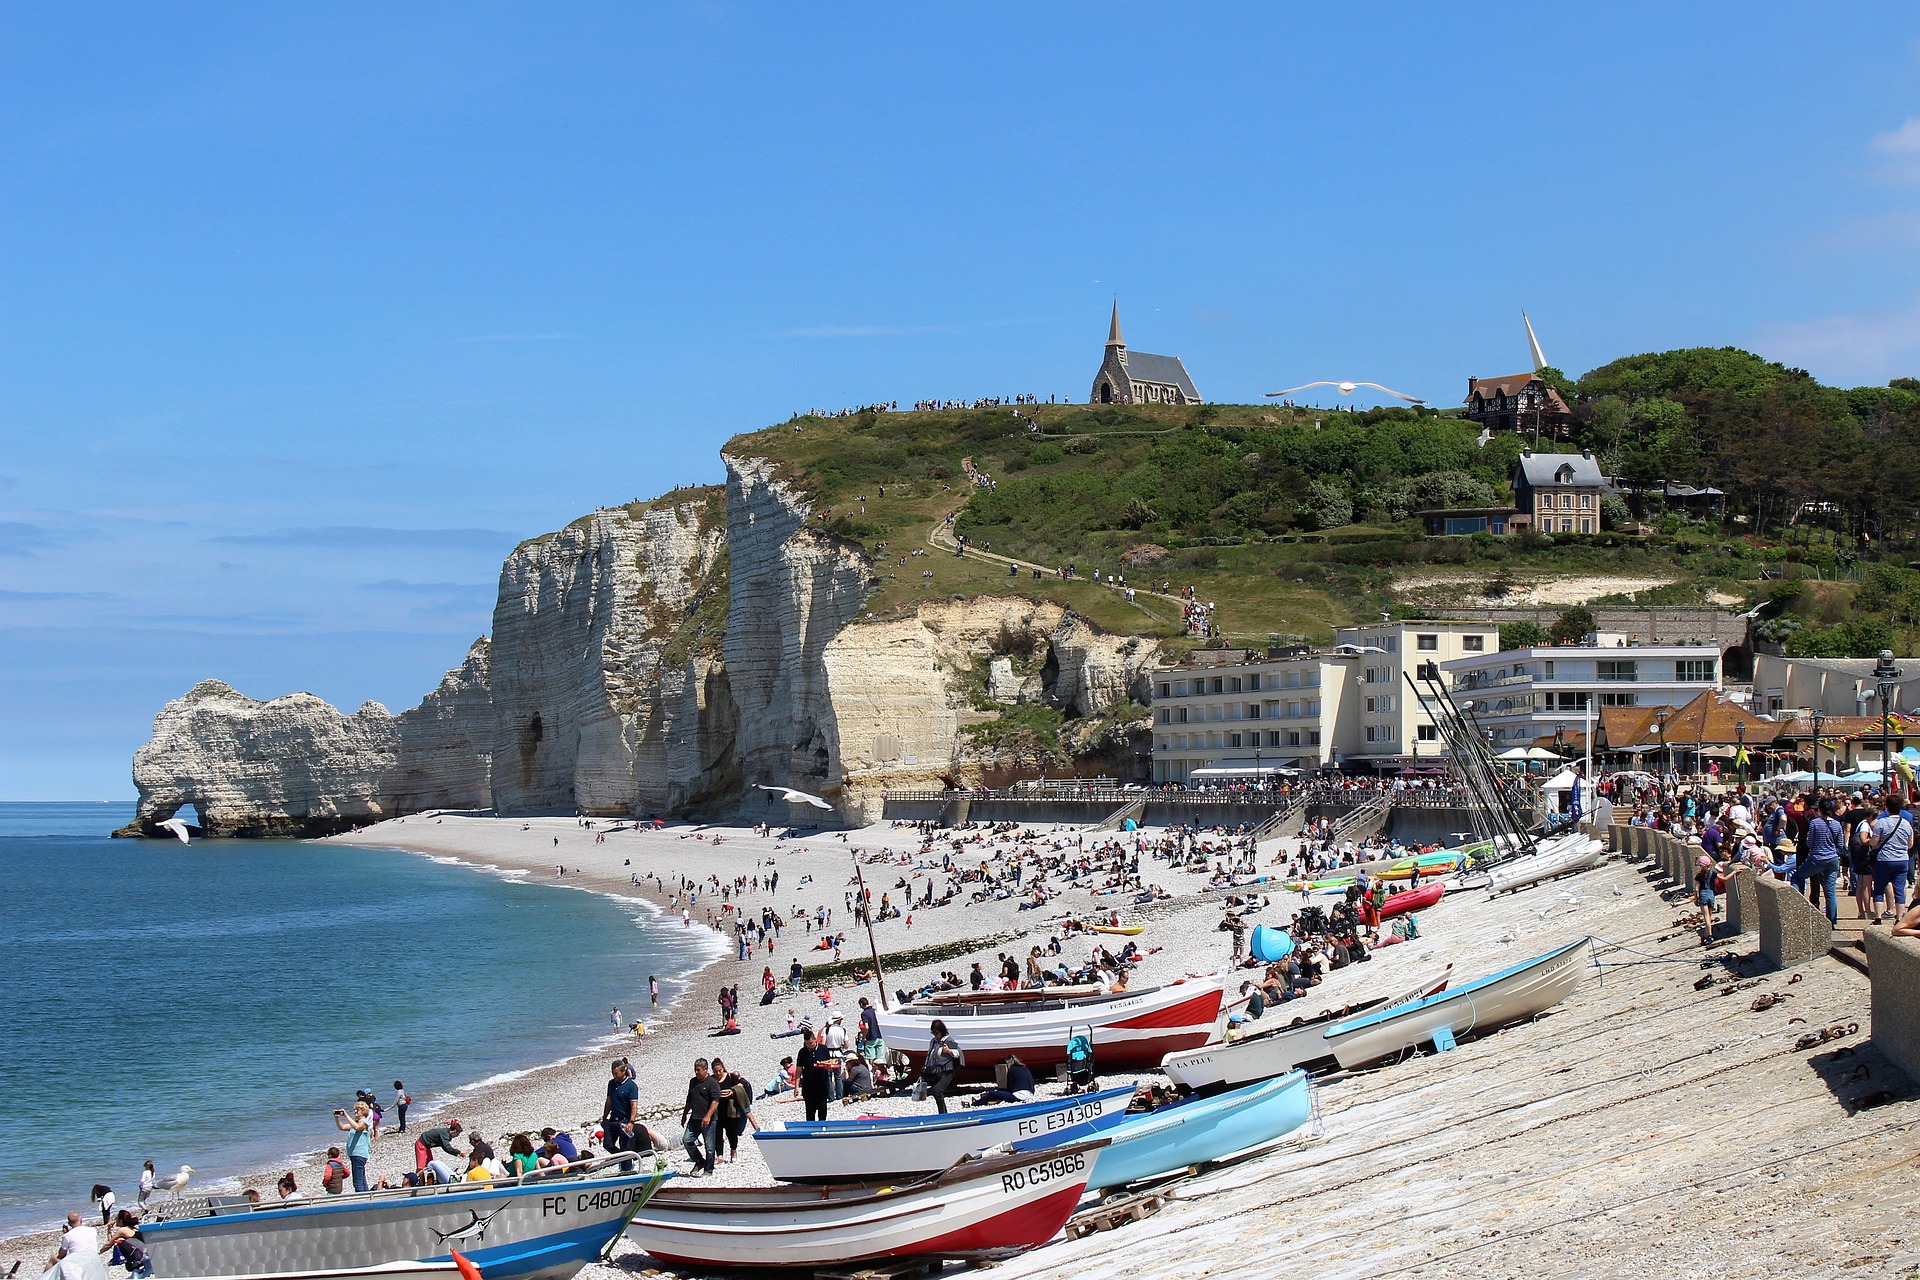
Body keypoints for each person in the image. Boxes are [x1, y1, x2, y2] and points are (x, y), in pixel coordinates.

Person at [1870, 792, 1914, 924]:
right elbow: (1910, 844)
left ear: (1887, 807)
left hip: (1884, 859)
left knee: (1879, 889)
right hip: (1902, 859)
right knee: (1899, 890)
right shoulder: (1906, 824)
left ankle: (1878, 917)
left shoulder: (1881, 823)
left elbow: (1874, 842)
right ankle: (1899, 918)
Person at [1801, 798, 1846, 929]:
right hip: (1832, 859)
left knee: (1797, 877)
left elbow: (1809, 842)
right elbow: (1840, 844)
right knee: (1830, 891)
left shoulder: (1815, 823)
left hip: (1817, 858)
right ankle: (1832, 921)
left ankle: (1798, 906)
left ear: (1819, 810)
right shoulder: (1837, 824)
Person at [680, 1058, 724, 1174]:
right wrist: (684, 1114)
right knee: (687, 1140)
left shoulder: (712, 1083)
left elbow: (715, 1101)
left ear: (705, 1070)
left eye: (698, 1070)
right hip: (694, 1118)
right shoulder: (693, 1082)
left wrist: (708, 1116)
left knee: (709, 1147)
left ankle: (708, 1169)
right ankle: (699, 1161)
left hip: (709, 1120)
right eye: (695, 1070)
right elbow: (689, 1099)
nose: (696, 1072)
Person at [713, 1059, 757, 1163]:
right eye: (716, 1071)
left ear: (723, 1068)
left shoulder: (730, 1077)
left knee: (731, 1133)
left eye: (720, 1070)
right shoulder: (711, 1080)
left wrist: (732, 1092)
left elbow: (741, 1086)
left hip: (730, 1110)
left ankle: (733, 1151)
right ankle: (719, 1156)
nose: (718, 1073)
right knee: (717, 1134)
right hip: (717, 1111)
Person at [602, 1060, 642, 1168]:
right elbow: (609, 1101)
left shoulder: (631, 1086)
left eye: (616, 1073)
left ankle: (627, 1168)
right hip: (612, 1120)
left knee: (625, 1147)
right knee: (607, 1144)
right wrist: (604, 1117)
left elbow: (634, 1105)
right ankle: (623, 1159)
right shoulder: (611, 1084)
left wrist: (631, 1122)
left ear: (623, 1071)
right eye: (613, 1073)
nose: (614, 1076)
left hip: (624, 1121)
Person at [920, 1019, 963, 1114]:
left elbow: (958, 1053)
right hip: (937, 1071)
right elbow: (929, 1055)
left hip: (948, 1071)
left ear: (941, 1031)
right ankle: (943, 1113)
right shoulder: (933, 1042)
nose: (935, 1035)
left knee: (937, 1091)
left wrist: (948, 1051)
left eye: (936, 1033)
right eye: (933, 1033)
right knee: (936, 1092)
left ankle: (942, 1113)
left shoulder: (949, 1040)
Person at [334, 1100, 377, 1193]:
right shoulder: (356, 1123)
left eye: (357, 1110)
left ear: (363, 1111)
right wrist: (337, 1118)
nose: (355, 1112)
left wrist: (346, 1115)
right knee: (361, 1179)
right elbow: (342, 1127)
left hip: (359, 1154)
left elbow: (358, 1127)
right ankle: (367, 1196)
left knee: (357, 1182)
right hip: (355, 1155)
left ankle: (362, 1200)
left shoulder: (364, 1122)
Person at [51, 1211, 97, 1280]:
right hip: (93, 1259)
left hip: (77, 1264)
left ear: (69, 1224)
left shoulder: (68, 1236)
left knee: (53, 1258)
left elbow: (61, 1255)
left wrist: (66, 1234)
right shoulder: (92, 1230)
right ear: (81, 1220)